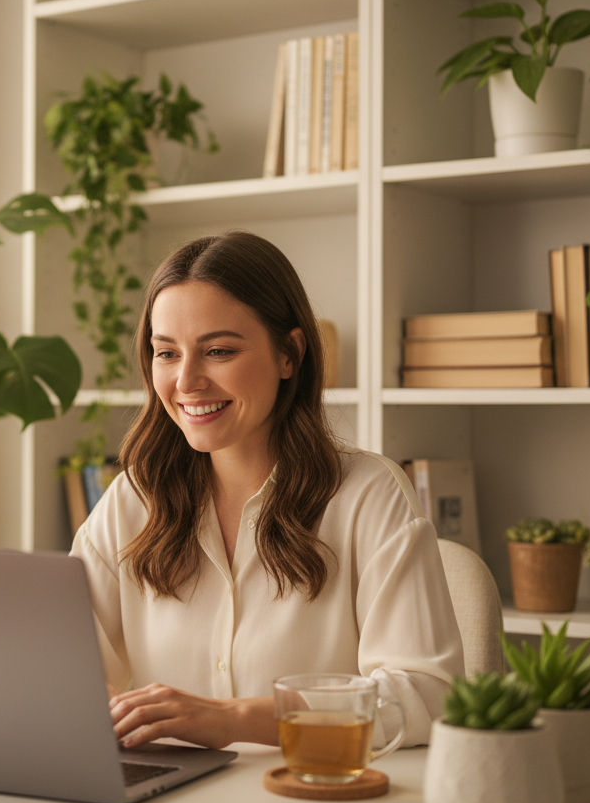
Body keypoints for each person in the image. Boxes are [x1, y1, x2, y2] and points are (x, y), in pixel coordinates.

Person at [70, 231, 463, 751]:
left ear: (289, 355)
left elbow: (426, 696)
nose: (186, 381)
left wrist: (234, 720)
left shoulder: (368, 495)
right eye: (166, 353)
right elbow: (63, 667)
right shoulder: (131, 501)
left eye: (218, 350)